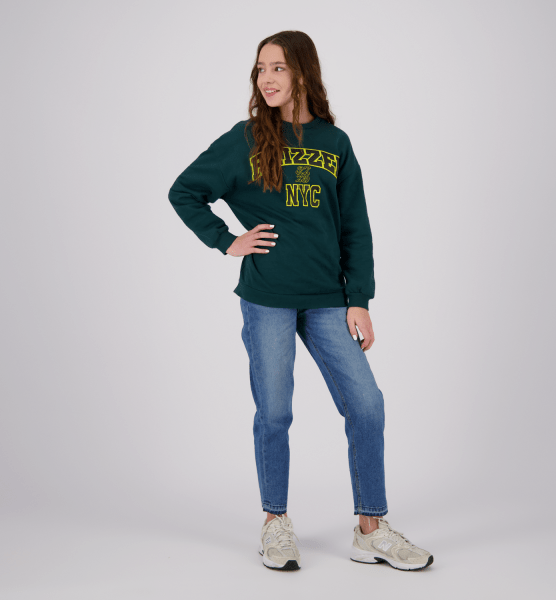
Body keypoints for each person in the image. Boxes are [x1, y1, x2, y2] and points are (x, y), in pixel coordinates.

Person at [167, 30, 433, 572]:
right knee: (275, 412)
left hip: (330, 300)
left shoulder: (335, 143)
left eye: (278, 68)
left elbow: (355, 226)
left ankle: (371, 529)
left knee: (367, 405)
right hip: (267, 298)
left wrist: (359, 298)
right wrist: (227, 241)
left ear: (303, 73)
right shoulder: (245, 139)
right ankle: (275, 522)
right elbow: (184, 191)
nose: (265, 78)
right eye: (260, 68)